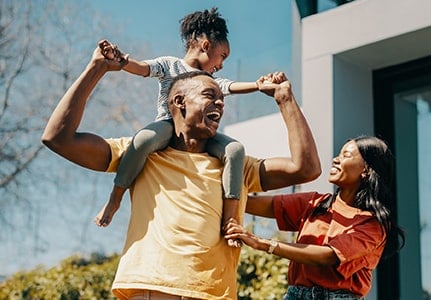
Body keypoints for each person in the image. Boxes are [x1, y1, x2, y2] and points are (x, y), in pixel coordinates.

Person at [41, 42, 320, 299]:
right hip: (154, 287)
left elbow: (305, 169)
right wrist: (96, 68)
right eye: (210, 95)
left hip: (216, 293)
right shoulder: (142, 154)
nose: (220, 103)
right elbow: (58, 138)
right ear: (179, 103)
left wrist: (285, 100)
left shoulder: (236, 165)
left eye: (221, 98)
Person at [94, 8, 261, 245]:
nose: (222, 64)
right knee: (142, 140)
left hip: (200, 133)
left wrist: (258, 84)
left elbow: (229, 85)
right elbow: (143, 68)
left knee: (234, 150)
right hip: (169, 126)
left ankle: (230, 221)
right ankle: (115, 199)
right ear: (205, 45)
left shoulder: (209, 81)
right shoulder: (170, 65)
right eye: (222, 55)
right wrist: (122, 61)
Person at [225, 136, 406, 299]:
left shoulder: (372, 224)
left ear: (366, 170)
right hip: (295, 295)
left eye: (346, 156)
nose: (336, 159)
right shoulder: (316, 203)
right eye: (338, 154)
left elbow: (326, 256)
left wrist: (262, 243)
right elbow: (248, 203)